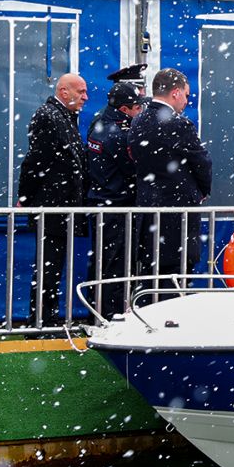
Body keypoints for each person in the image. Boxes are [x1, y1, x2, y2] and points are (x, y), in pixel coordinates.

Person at [130, 69, 211, 299]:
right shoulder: (179, 125)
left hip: (148, 212)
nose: (186, 101)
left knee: (150, 280)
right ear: (175, 92)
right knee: (175, 279)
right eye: (186, 95)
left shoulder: (137, 121)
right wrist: (201, 191)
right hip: (177, 216)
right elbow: (202, 162)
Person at [15, 72, 89, 324]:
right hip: (52, 207)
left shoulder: (64, 117)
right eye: (81, 92)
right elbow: (36, 162)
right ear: (63, 92)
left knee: (52, 266)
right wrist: (25, 197)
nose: (85, 97)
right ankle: (42, 319)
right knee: (48, 266)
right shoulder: (49, 116)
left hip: (60, 207)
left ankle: (46, 317)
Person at [85, 78, 146, 319]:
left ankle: (97, 310)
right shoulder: (118, 134)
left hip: (102, 202)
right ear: (124, 109)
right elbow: (133, 169)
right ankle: (109, 314)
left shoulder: (99, 122)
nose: (140, 111)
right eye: (137, 107)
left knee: (102, 263)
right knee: (115, 266)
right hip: (117, 206)